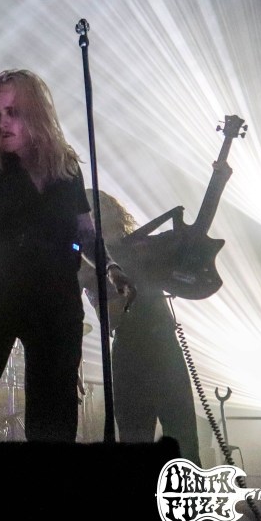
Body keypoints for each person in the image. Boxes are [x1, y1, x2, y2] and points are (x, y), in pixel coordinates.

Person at [0, 69, 134, 443]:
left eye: (13, 112)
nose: (3, 123)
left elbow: (85, 232)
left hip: (57, 300)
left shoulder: (64, 169)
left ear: (36, 114)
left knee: (54, 422)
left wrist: (112, 269)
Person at [78, 190, 202, 464]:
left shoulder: (145, 245)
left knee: (183, 441)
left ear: (112, 212)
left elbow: (192, 245)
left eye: (98, 209)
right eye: (88, 215)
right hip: (128, 349)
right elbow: (103, 316)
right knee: (135, 440)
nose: (94, 217)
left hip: (163, 343)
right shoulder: (88, 264)